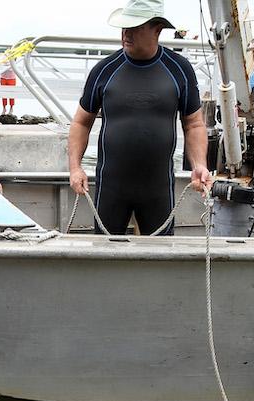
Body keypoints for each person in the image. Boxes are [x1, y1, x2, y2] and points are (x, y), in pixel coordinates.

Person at [67, 0, 209, 235]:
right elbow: (81, 122)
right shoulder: (105, 70)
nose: (126, 34)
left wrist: (199, 165)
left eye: (135, 27)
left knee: (161, 259)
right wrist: (75, 168)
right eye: (124, 27)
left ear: (157, 29)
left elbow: (193, 124)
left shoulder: (179, 69)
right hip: (111, 186)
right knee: (107, 257)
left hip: (158, 187)